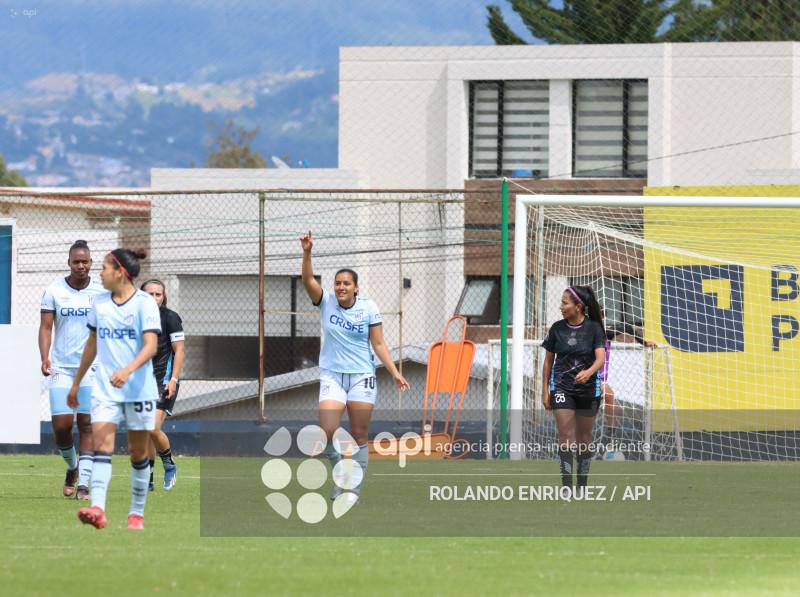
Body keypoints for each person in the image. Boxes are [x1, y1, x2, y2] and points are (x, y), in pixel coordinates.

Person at [300, 230, 409, 504]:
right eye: (337, 283)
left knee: (359, 435)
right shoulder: (325, 302)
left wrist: (395, 373)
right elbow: (308, 280)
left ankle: (353, 492)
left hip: (362, 377)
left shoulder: (368, 307)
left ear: (356, 287)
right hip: (333, 377)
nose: (341, 287)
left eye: (346, 283)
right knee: (326, 432)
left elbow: (379, 344)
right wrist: (307, 252)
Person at [67, 249, 161, 531]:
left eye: (105, 268)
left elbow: (151, 346)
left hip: (139, 390)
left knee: (137, 453)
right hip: (105, 389)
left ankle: (136, 514)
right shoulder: (100, 303)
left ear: (119, 272)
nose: (100, 273)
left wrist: (128, 370)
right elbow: (92, 343)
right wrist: (76, 382)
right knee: (100, 447)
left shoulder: (145, 304)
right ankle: (98, 509)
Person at [39, 240, 105, 500]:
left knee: (86, 424)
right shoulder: (54, 291)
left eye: (85, 261)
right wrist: (45, 357)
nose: (81, 265)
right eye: (76, 261)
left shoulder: (101, 292)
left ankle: (84, 484)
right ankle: (72, 467)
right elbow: (46, 328)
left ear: (91, 263)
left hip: (92, 368)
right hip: (61, 368)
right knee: (62, 427)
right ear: (69, 262)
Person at [542, 285, 606, 493]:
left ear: (578, 306)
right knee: (566, 435)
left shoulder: (594, 329)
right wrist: (545, 390)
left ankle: (582, 487)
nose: (560, 306)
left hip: (589, 390)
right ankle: (567, 487)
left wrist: (588, 373)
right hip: (561, 388)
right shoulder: (557, 329)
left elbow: (601, 359)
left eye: (564, 303)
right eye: (561, 302)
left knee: (584, 440)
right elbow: (548, 362)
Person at [140, 279, 184, 491]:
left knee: (152, 426)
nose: (154, 298)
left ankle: (169, 464)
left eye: (158, 294)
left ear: (163, 297)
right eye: (149, 294)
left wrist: (173, 379)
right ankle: (148, 480)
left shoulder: (170, 317)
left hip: (163, 381)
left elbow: (180, 351)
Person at [600, 321, 656, 449]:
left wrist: (644, 342)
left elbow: (627, 327)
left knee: (609, 395)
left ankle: (611, 437)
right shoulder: (582, 331)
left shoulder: (606, 332)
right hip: (582, 376)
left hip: (598, 379)